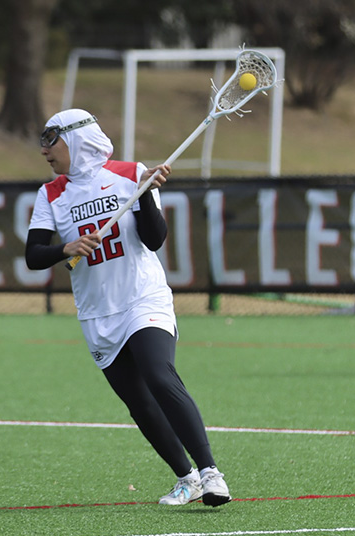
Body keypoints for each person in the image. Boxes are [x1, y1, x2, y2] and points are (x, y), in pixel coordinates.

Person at [25, 108, 231, 506]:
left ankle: (211, 472)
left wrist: (147, 194)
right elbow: (34, 255)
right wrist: (64, 248)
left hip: (143, 297)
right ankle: (187, 479)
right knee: (137, 402)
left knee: (158, 373)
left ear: (77, 139)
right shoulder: (50, 194)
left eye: (51, 140)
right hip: (97, 312)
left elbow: (154, 239)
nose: (45, 151)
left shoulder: (130, 175)